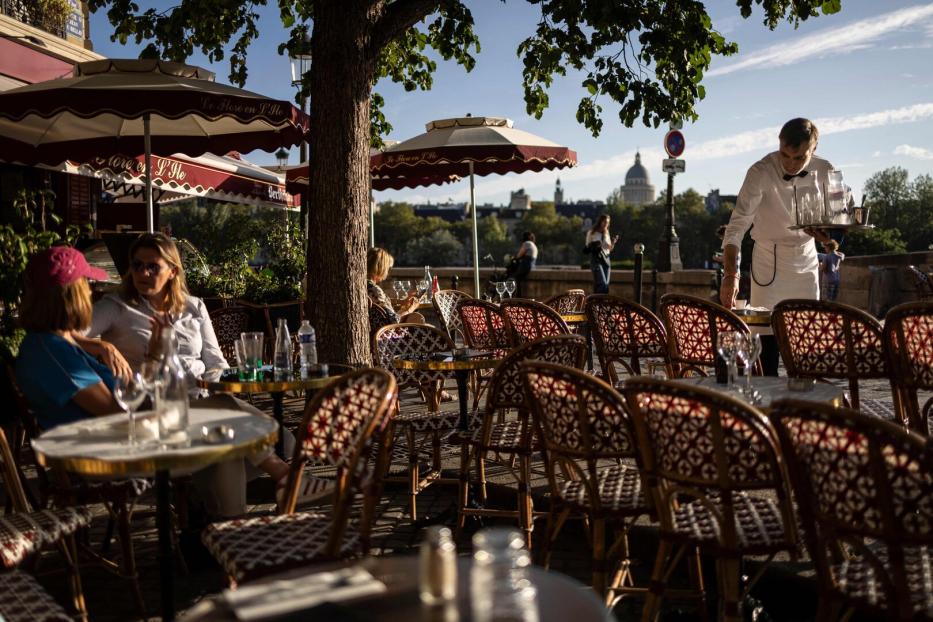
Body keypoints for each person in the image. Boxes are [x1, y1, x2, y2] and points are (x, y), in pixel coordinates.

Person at [82, 234, 301, 516]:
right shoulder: (117, 306)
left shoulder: (193, 306)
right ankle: (285, 476)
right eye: (137, 266)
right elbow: (67, 336)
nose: (143, 273)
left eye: (153, 266)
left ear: (173, 270)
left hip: (202, 401)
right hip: (155, 409)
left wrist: (215, 381)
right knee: (236, 424)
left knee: (278, 442)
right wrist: (101, 345)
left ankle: (216, 520)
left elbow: (215, 361)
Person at [719, 117, 833, 374]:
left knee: (804, 336)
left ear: (813, 149)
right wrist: (730, 274)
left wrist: (828, 238)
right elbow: (736, 227)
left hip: (805, 259)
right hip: (767, 259)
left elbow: (835, 224)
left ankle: (801, 400)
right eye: (784, 155)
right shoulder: (760, 172)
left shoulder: (826, 171)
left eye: (799, 158)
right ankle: (766, 400)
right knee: (765, 336)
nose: (790, 164)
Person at [367, 247, 424, 323]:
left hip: (376, 329)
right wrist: (411, 309)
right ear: (381, 268)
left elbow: (380, 303)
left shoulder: (365, 286)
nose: (388, 271)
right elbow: (394, 320)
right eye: (388, 268)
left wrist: (401, 302)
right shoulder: (375, 290)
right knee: (418, 319)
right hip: (387, 331)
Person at [585, 214, 619, 294]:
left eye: (607, 223)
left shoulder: (607, 233)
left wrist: (613, 242)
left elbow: (610, 249)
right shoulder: (592, 233)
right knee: (602, 283)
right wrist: (596, 244)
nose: (606, 224)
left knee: (606, 285)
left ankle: (599, 303)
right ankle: (598, 303)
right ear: (600, 222)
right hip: (596, 259)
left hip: (606, 259)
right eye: (604, 222)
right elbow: (587, 246)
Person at [509, 232, 537, 298]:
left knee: (515, 278)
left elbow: (519, 255)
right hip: (531, 265)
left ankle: (517, 296)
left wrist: (514, 258)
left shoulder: (527, 243)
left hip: (526, 265)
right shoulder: (534, 245)